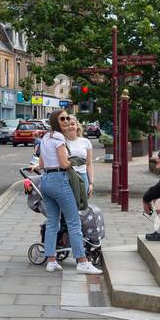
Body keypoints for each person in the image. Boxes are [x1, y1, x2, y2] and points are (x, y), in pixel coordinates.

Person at [30, 109, 102, 275]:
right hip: (59, 181)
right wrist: (74, 163)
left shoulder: (45, 137)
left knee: (52, 223)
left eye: (68, 118)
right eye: (63, 118)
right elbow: (63, 164)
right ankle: (82, 262)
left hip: (45, 181)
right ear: (56, 121)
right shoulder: (60, 138)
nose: (66, 121)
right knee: (73, 221)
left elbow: (41, 163)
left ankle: (51, 261)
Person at [59, 111, 95, 196]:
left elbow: (89, 164)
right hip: (66, 177)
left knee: (82, 204)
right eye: (67, 125)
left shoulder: (86, 142)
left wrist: (91, 183)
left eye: (72, 124)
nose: (70, 127)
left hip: (82, 177)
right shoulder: (60, 142)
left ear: (77, 126)